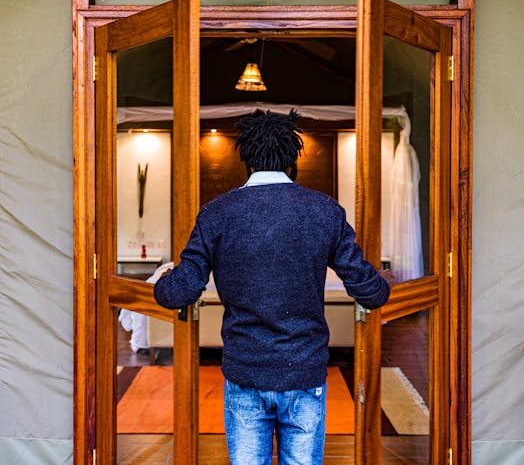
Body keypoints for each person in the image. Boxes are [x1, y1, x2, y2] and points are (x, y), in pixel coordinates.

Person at [154, 109, 393, 465]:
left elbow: (178, 292)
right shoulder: (324, 211)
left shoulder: (217, 213)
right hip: (305, 370)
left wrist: (162, 281)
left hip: (245, 371)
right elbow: (371, 292)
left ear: (246, 159)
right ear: (292, 157)